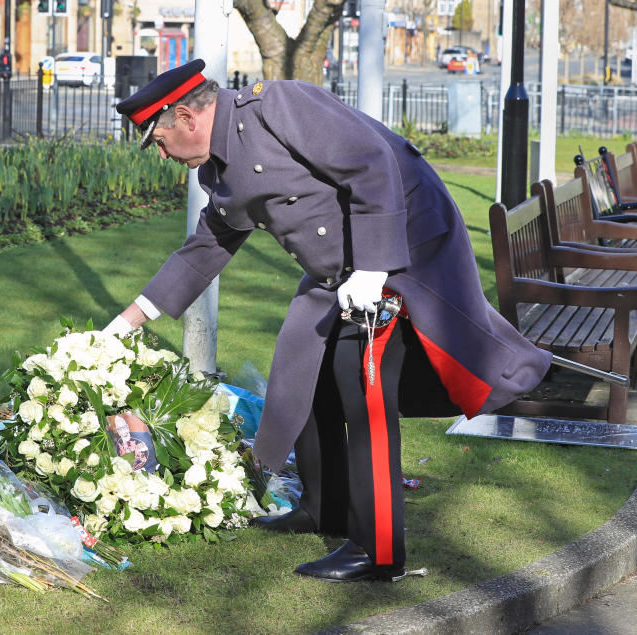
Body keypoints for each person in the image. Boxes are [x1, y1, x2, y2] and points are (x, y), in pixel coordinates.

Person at [102, 59, 551, 582]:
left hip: (401, 250)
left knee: (362, 388)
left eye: (158, 140)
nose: (161, 153)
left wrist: (374, 267)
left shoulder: (277, 105)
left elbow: (371, 162)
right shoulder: (217, 169)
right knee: (304, 371)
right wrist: (127, 321)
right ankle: (325, 508)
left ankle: (377, 549)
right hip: (340, 270)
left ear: (184, 116)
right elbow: (206, 248)